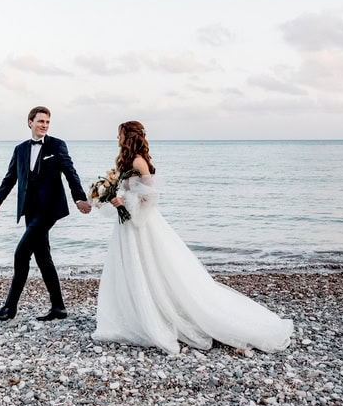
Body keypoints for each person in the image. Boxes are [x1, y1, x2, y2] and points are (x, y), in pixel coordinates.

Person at [93, 121, 293, 355]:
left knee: (150, 267)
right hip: (127, 225)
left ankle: (157, 315)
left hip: (140, 225)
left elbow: (151, 197)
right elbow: (131, 190)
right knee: (133, 268)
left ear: (128, 136)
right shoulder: (126, 161)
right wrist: (113, 197)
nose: (117, 137)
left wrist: (124, 202)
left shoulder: (138, 161)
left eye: (119, 134)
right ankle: (135, 314)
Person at [0, 106, 91, 322]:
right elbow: (10, 178)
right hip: (29, 210)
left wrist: (79, 198)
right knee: (43, 258)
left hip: (49, 209)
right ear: (30, 122)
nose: (44, 125)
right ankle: (59, 308)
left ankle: (9, 308)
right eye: (41, 121)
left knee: (21, 254)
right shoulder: (20, 149)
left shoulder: (57, 145)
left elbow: (70, 172)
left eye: (47, 122)